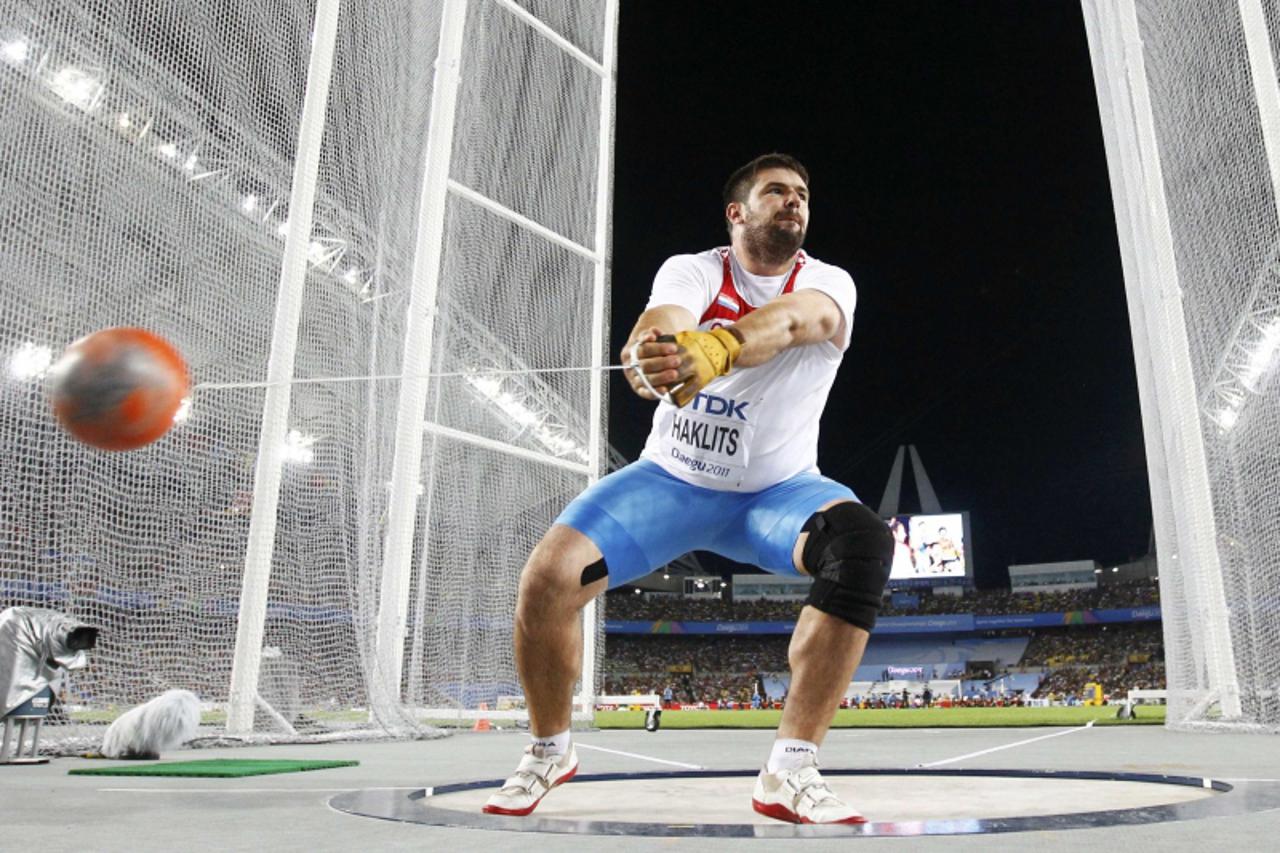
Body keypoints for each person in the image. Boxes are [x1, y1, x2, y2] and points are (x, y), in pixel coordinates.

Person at [483, 153, 894, 824]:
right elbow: (662, 322)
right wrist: (649, 356)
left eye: (802, 194)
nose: (794, 202)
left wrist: (723, 346)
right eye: (776, 192)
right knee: (546, 579)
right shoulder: (695, 268)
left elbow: (796, 322)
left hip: (775, 494)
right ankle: (550, 749)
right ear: (737, 212)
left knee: (863, 544)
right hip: (670, 484)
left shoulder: (829, 281)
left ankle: (790, 769)